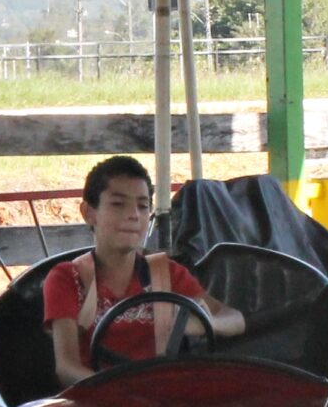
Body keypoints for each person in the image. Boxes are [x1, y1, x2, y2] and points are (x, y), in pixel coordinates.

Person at [44, 155, 245, 387]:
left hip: (160, 398)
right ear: (89, 213)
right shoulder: (67, 278)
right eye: (118, 204)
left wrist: (208, 322)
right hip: (96, 400)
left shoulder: (166, 274)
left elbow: (236, 319)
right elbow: (67, 367)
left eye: (142, 206)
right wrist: (122, 394)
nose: (134, 215)